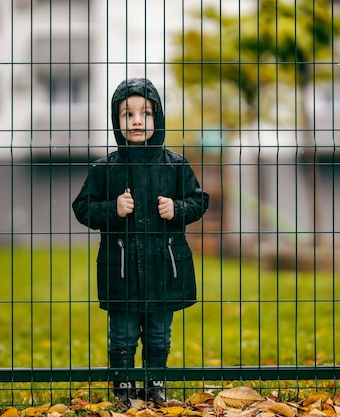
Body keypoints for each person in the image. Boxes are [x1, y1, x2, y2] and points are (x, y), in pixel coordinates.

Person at [72, 78, 209, 408]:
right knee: (122, 334)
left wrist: (176, 208)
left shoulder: (175, 165)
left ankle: (155, 383)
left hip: (166, 268)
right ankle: (123, 386)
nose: (136, 120)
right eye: (127, 114)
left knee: (160, 334)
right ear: (117, 121)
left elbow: (199, 199)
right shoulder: (106, 169)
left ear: (157, 118)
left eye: (145, 113)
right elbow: (82, 207)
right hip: (120, 271)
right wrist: (113, 210)